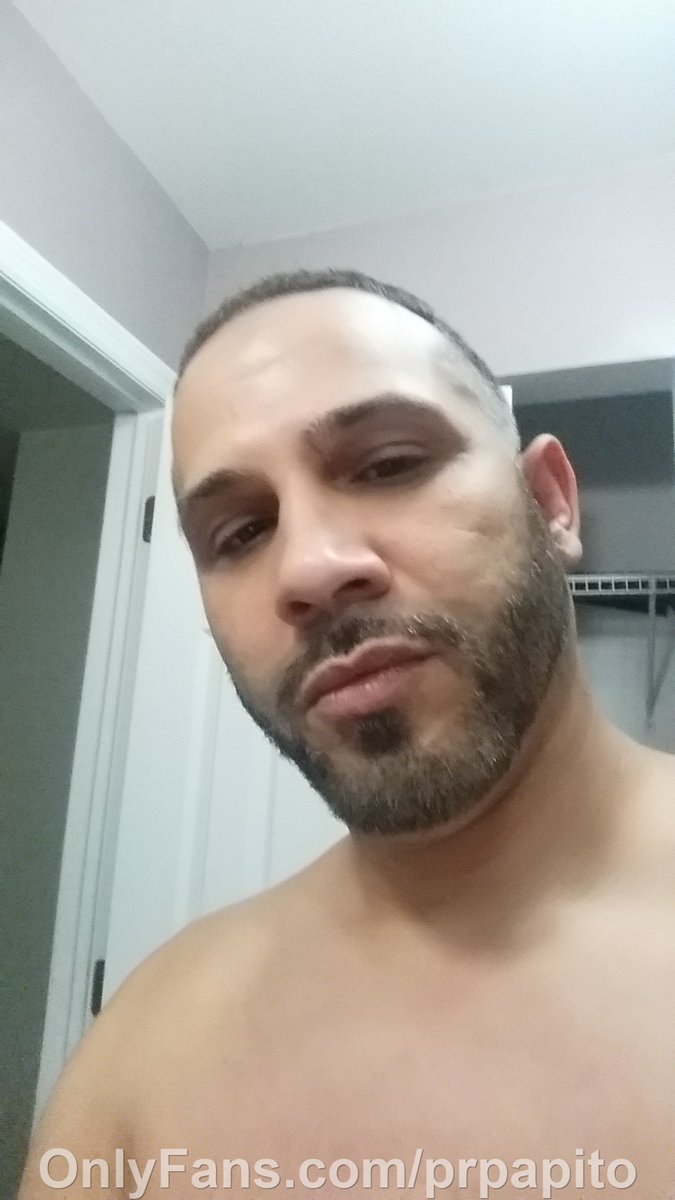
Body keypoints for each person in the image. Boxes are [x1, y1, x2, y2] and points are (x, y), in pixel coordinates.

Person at [20, 270, 675, 1198]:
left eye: (389, 464)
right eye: (240, 532)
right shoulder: (139, 1059)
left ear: (551, 501)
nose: (309, 569)